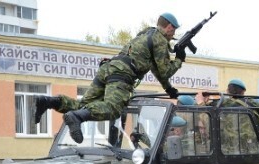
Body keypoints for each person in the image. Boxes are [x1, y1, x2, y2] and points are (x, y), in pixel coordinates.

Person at [34, 12, 185, 144]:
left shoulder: (146, 34)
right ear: (169, 27)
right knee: (113, 109)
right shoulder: (160, 40)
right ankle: (76, 118)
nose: (173, 34)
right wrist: (179, 59)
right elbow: (165, 71)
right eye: (174, 30)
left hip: (108, 68)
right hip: (122, 74)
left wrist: (169, 88)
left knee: (82, 105)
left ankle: (48, 101)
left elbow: (157, 70)